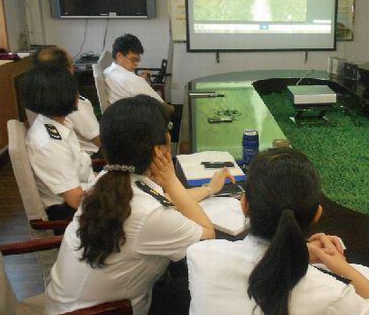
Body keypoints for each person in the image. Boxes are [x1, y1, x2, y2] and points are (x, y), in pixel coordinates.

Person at [46, 95, 231, 315]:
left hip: (68, 306)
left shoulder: (108, 180)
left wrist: (208, 189)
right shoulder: (147, 212)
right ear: (158, 150)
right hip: (107, 311)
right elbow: (207, 238)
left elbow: (165, 201)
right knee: (200, 289)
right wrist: (171, 180)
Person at [187, 148, 369, 315]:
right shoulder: (330, 294)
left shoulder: (201, 255)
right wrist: (344, 269)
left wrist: (298, 251)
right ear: (317, 215)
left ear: (244, 204)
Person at [22, 65, 95, 221]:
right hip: (72, 214)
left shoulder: (58, 124)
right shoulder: (49, 143)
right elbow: (76, 200)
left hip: (86, 191)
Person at [32, 45, 100, 155]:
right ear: (66, 70)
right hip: (93, 156)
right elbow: (99, 140)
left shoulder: (43, 97)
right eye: (72, 63)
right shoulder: (69, 102)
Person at [103, 33, 174, 116]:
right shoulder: (133, 81)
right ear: (119, 56)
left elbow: (127, 87)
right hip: (141, 119)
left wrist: (142, 82)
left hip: (120, 117)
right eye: (133, 59)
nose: (136, 64)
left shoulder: (106, 71)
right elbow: (164, 108)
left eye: (138, 60)